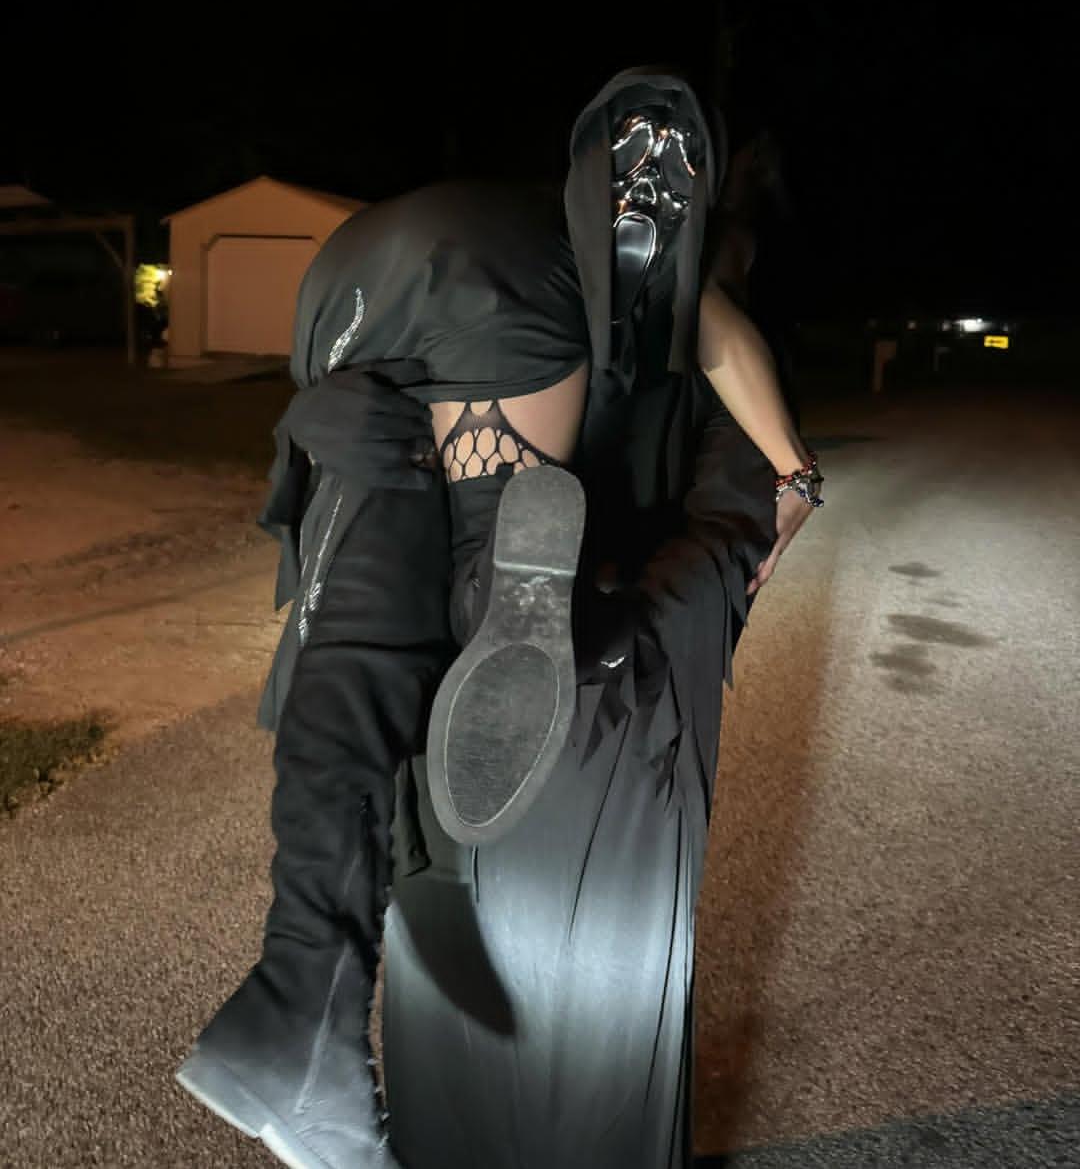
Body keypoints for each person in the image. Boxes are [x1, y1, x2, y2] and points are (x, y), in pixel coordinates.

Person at [174, 68, 821, 1169]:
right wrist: (797, 474)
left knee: (362, 643)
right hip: (497, 299)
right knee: (487, 549)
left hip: (354, 303)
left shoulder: (542, 199)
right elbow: (723, 339)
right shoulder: (636, 246)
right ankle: (512, 599)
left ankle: (299, 1008)